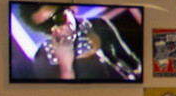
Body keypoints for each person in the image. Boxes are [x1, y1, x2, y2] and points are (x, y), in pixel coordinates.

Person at [13, 6, 142, 81]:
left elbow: (129, 59)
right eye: (46, 26)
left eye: (58, 18)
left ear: (68, 9)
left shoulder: (97, 24)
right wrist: (66, 64)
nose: (57, 27)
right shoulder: (45, 58)